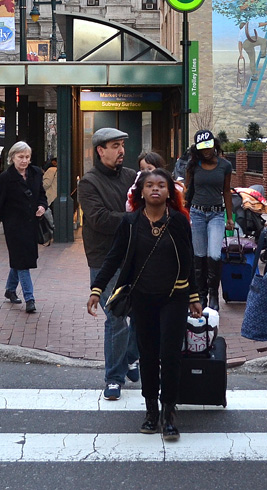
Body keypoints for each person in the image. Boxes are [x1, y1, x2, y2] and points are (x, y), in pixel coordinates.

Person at [88, 168, 199, 443]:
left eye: (161, 185)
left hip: (174, 296)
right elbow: (113, 258)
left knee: (170, 355)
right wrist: (97, 289)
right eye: (150, 185)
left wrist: (194, 296)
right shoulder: (130, 222)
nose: (155, 189)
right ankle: (151, 412)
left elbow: (189, 260)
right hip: (143, 298)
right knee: (148, 356)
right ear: (141, 191)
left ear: (169, 192)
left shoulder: (178, 221)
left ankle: (169, 414)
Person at [78, 127, 140, 400]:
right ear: (100, 150)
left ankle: (130, 357)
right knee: (116, 318)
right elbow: (99, 219)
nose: (121, 151)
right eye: (115, 146)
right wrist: (134, 219)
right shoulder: (88, 183)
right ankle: (114, 378)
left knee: (142, 314)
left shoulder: (132, 177)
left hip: (135, 256)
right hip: (104, 260)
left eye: (122, 145)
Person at [0, 141, 48, 314]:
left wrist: (42, 206)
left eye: (27, 157)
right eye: (21, 157)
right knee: (22, 262)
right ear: (12, 157)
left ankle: (10, 289)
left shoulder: (35, 173)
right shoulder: (6, 178)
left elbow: (42, 195)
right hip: (14, 227)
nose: (24, 160)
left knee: (19, 260)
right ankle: (30, 299)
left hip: (31, 225)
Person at [185, 130, 233, 310]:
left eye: (209, 147)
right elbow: (186, 190)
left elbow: (226, 191)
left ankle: (214, 294)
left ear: (214, 145)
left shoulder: (225, 165)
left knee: (214, 254)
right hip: (196, 213)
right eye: (202, 148)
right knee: (198, 255)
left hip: (216, 214)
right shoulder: (193, 165)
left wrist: (230, 218)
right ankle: (201, 295)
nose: (206, 151)